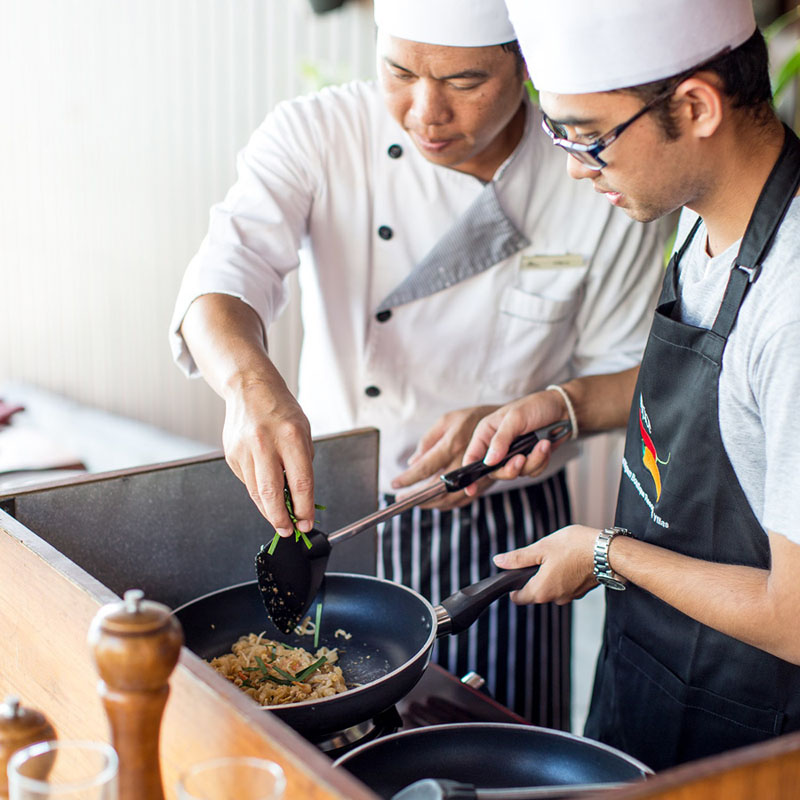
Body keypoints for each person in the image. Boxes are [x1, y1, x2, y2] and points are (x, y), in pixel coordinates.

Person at [169, 0, 664, 725]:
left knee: (500, 740)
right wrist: (249, 385)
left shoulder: (593, 176)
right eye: (398, 71)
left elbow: (635, 379)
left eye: (465, 81)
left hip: (508, 524)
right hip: (335, 517)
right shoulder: (320, 133)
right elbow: (223, 276)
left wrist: (553, 407)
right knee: (333, 735)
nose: (425, 112)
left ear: (527, 67)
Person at [462, 0, 800, 767]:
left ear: (695, 106)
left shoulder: (792, 306)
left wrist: (609, 554)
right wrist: (568, 406)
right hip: (653, 666)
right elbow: (727, 407)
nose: (579, 171)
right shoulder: (706, 208)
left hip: (751, 736)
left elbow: (796, 615)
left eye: (591, 140)